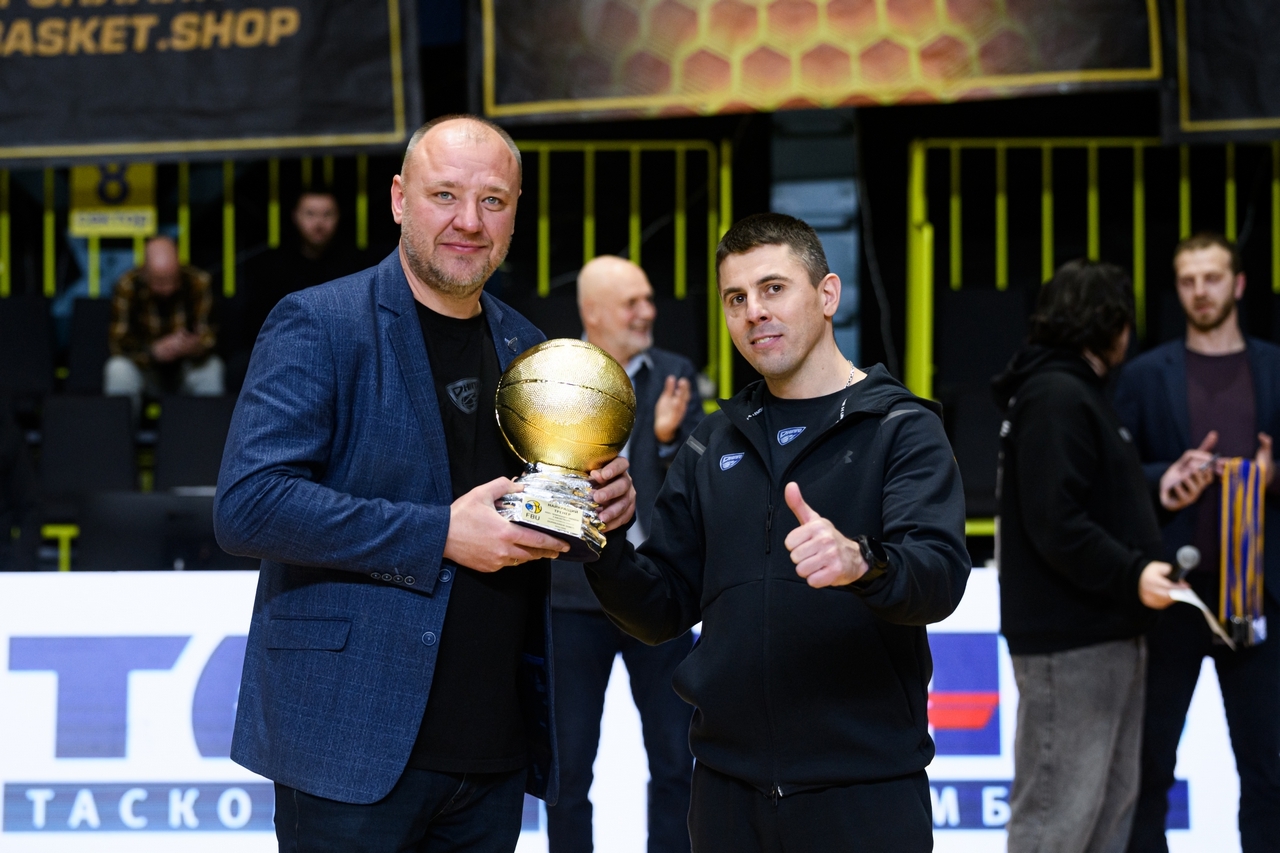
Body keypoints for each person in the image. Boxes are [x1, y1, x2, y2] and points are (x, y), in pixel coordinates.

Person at [213, 114, 636, 853]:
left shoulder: (530, 347)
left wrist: (592, 507)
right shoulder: (319, 321)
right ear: (399, 199)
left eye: (493, 200)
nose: (469, 221)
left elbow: (524, 517)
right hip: (349, 747)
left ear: (515, 214)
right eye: (445, 195)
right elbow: (250, 505)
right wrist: (439, 532)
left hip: (493, 749)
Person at [583, 213, 970, 852]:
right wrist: (602, 543)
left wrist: (862, 562)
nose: (754, 311)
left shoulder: (900, 428)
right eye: (735, 298)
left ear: (827, 295)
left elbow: (940, 577)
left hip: (864, 792)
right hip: (726, 796)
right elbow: (662, 609)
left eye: (773, 288)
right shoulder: (713, 441)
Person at [992, 259, 1184, 853]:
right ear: (1111, 323)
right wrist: (1132, 571)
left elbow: (1083, 502)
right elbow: (1056, 521)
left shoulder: (1073, 393)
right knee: (1057, 820)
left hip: (1102, 634)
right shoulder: (1056, 395)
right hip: (1072, 641)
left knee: (1103, 818)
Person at [1114, 233, 1280, 853]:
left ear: (1238, 284)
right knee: (1148, 768)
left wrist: (1272, 477)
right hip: (1172, 594)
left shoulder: (1274, 368)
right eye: (1188, 280)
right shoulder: (1144, 375)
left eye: (1212, 278)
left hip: (1259, 594)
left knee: (1269, 770)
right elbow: (1116, 473)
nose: (1200, 291)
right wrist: (1164, 480)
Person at [547, 255, 703, 853]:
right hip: (571, 598)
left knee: (676, 759)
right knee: (567, 770)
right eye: (632, 302)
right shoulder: (555, 377)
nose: (648, 312)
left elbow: (697, 485)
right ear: (592, 313)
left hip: (656, 594)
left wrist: (664, 441)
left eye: (648, 299)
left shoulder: (675, 374)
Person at [105, 235, 222, 414]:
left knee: (212, 367)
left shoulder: (198, 282)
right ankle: (118, 431)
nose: (168, 288)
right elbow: (118, 343)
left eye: (172, 280)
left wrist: (194, 346)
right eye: (159, 282)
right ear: (144, 272)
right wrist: (153, 352)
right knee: (117, 369)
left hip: (187, 366)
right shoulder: (127, 285)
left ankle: (209, 431)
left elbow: (211, 337)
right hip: (146, 369)